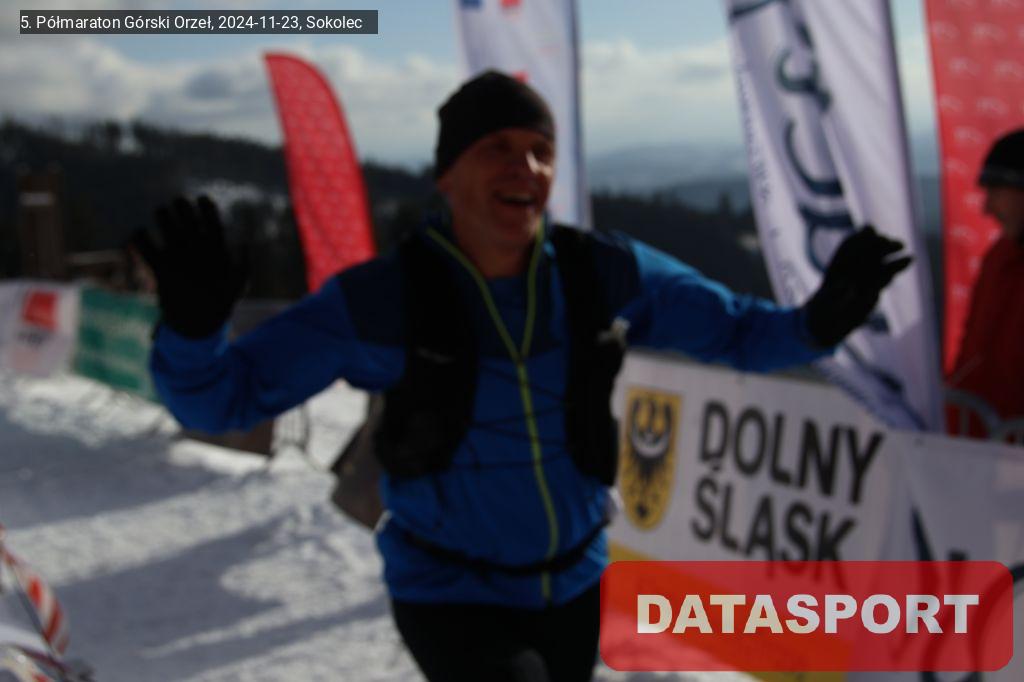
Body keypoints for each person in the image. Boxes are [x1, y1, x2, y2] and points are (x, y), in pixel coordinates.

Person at [135, 71, 911, 681]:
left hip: (576, 585)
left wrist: (819, 321)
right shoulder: (383, 299)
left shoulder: (601, 271)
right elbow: (220, 400)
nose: (526, 166)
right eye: (498, 147)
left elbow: (738, 333)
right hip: (449, 593)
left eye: (540, 150)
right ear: (447, 174)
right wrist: (192, 333)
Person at [949, 128, 1024, 438]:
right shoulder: (999, 256)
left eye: (995, 190)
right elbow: (973, 354)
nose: (986, 208)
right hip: (974, 449)